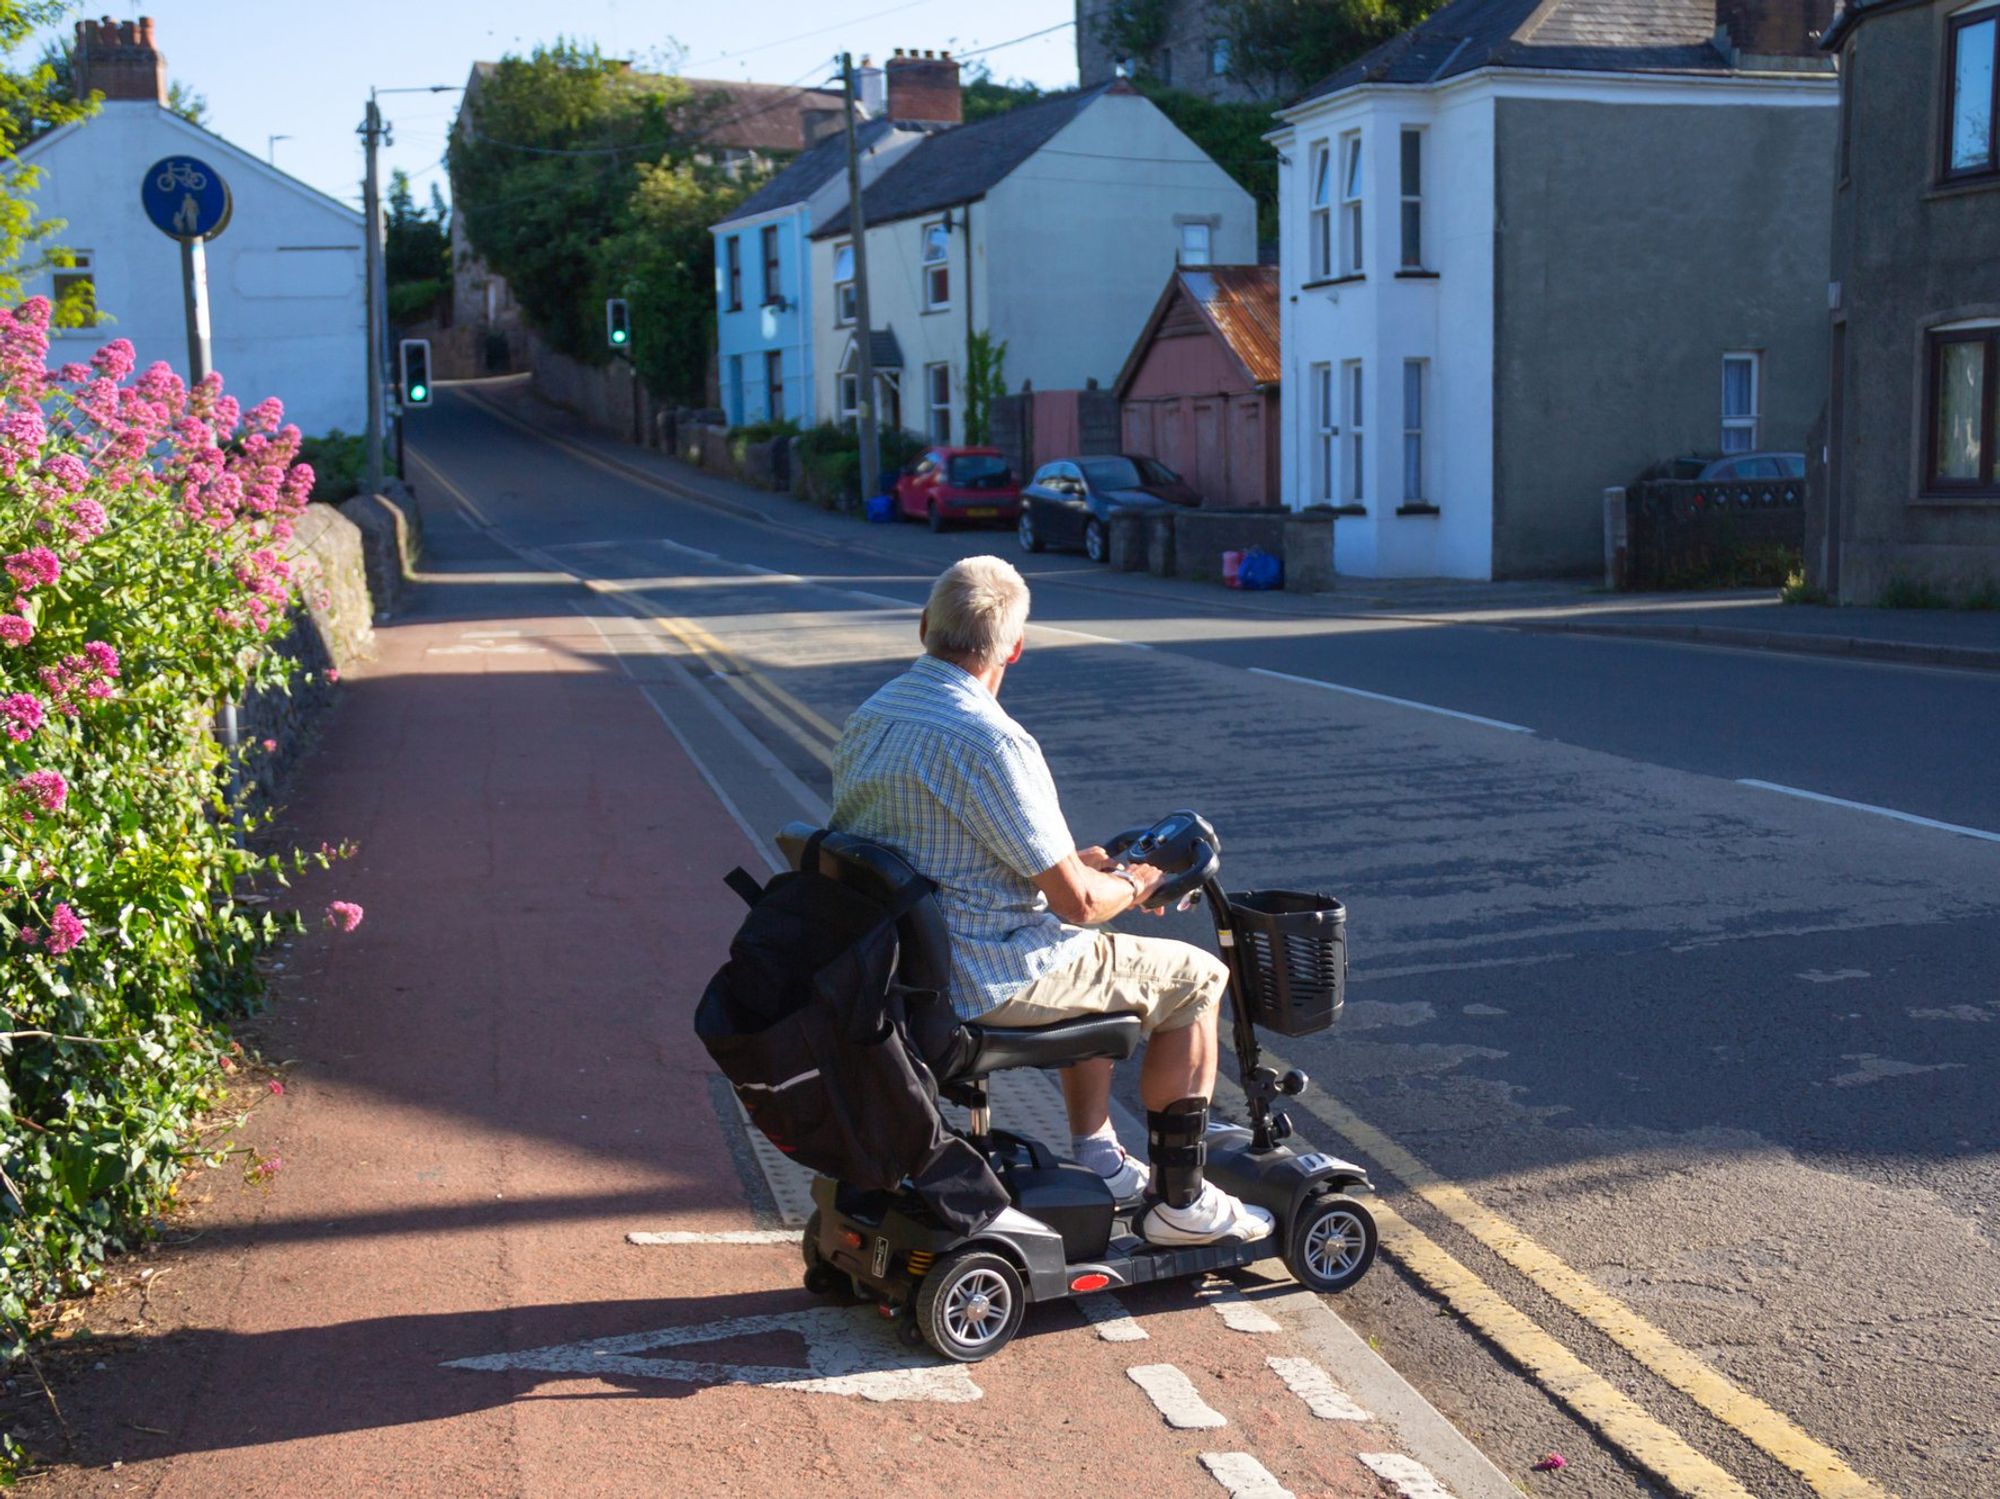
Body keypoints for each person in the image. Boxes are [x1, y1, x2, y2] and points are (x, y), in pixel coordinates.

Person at [830, 556, 1273, 1246]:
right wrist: (1138, 881)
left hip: (900, 968)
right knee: (1195, 977)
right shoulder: (991, 740)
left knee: (1103, 960)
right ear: (1014, 647)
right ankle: (1182, 1202)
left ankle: (1098, 1153)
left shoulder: (872, 716)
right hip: (982, 977)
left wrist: (1087, 866)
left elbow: (953, 849)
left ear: (925, 627)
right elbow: (1077, 905)